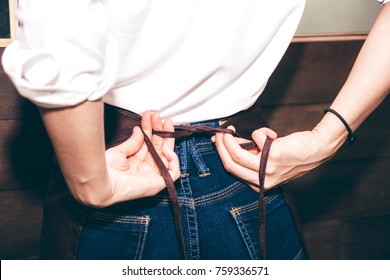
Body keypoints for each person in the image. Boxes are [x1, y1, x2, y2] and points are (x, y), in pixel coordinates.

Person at [2, 0, 389, 260]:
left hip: (128, 160)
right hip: (235, 167)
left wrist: (91, 183)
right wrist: (329, 135)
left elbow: (61, 32)